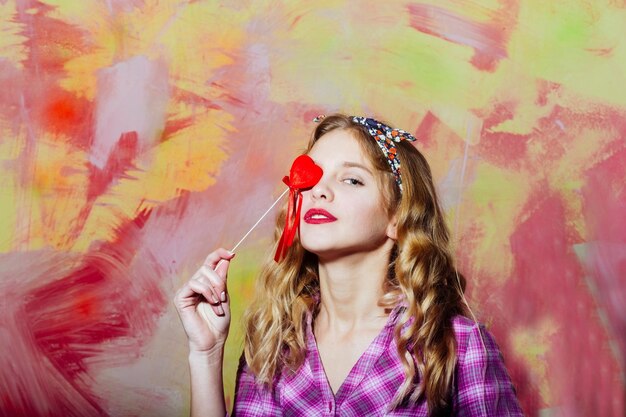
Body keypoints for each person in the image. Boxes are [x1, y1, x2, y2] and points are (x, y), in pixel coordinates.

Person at [174, 114, 524, 416]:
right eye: (310, 177)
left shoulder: (454, 343)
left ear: (397, 219)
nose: (318, 192)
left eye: (351, 179)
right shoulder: (275, 343)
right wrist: (206, 354)